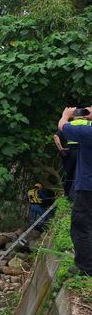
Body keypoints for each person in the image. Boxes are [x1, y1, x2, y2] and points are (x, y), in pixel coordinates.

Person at [58, 106, 92, 276]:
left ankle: (85, 268)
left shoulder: (86, 133)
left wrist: (66, 114)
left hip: (87, 187)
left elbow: (62, 126)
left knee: (81, 226)